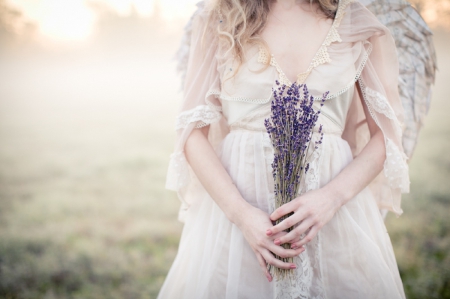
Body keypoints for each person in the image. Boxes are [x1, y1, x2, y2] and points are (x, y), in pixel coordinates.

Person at [159, 0, 410, 298]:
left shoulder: (356, 21)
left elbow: (386, 136)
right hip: (236, 218)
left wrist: (331, 198)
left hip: (332, 218)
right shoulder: (220, 17)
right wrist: (241, 215)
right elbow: (192, 134)